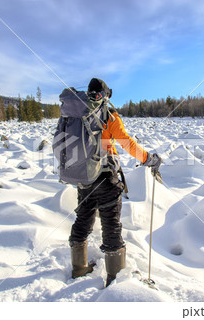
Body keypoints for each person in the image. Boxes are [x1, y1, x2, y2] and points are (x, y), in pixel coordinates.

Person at [69, 78, 162, 287]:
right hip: (105, 178)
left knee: (83, 219)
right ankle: (116, 279)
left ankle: (79, 268)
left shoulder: (76, 114)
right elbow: (126, 142)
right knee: (111, 224)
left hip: (83, 177)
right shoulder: (108, 115)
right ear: (105, 95)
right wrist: (149, 159)